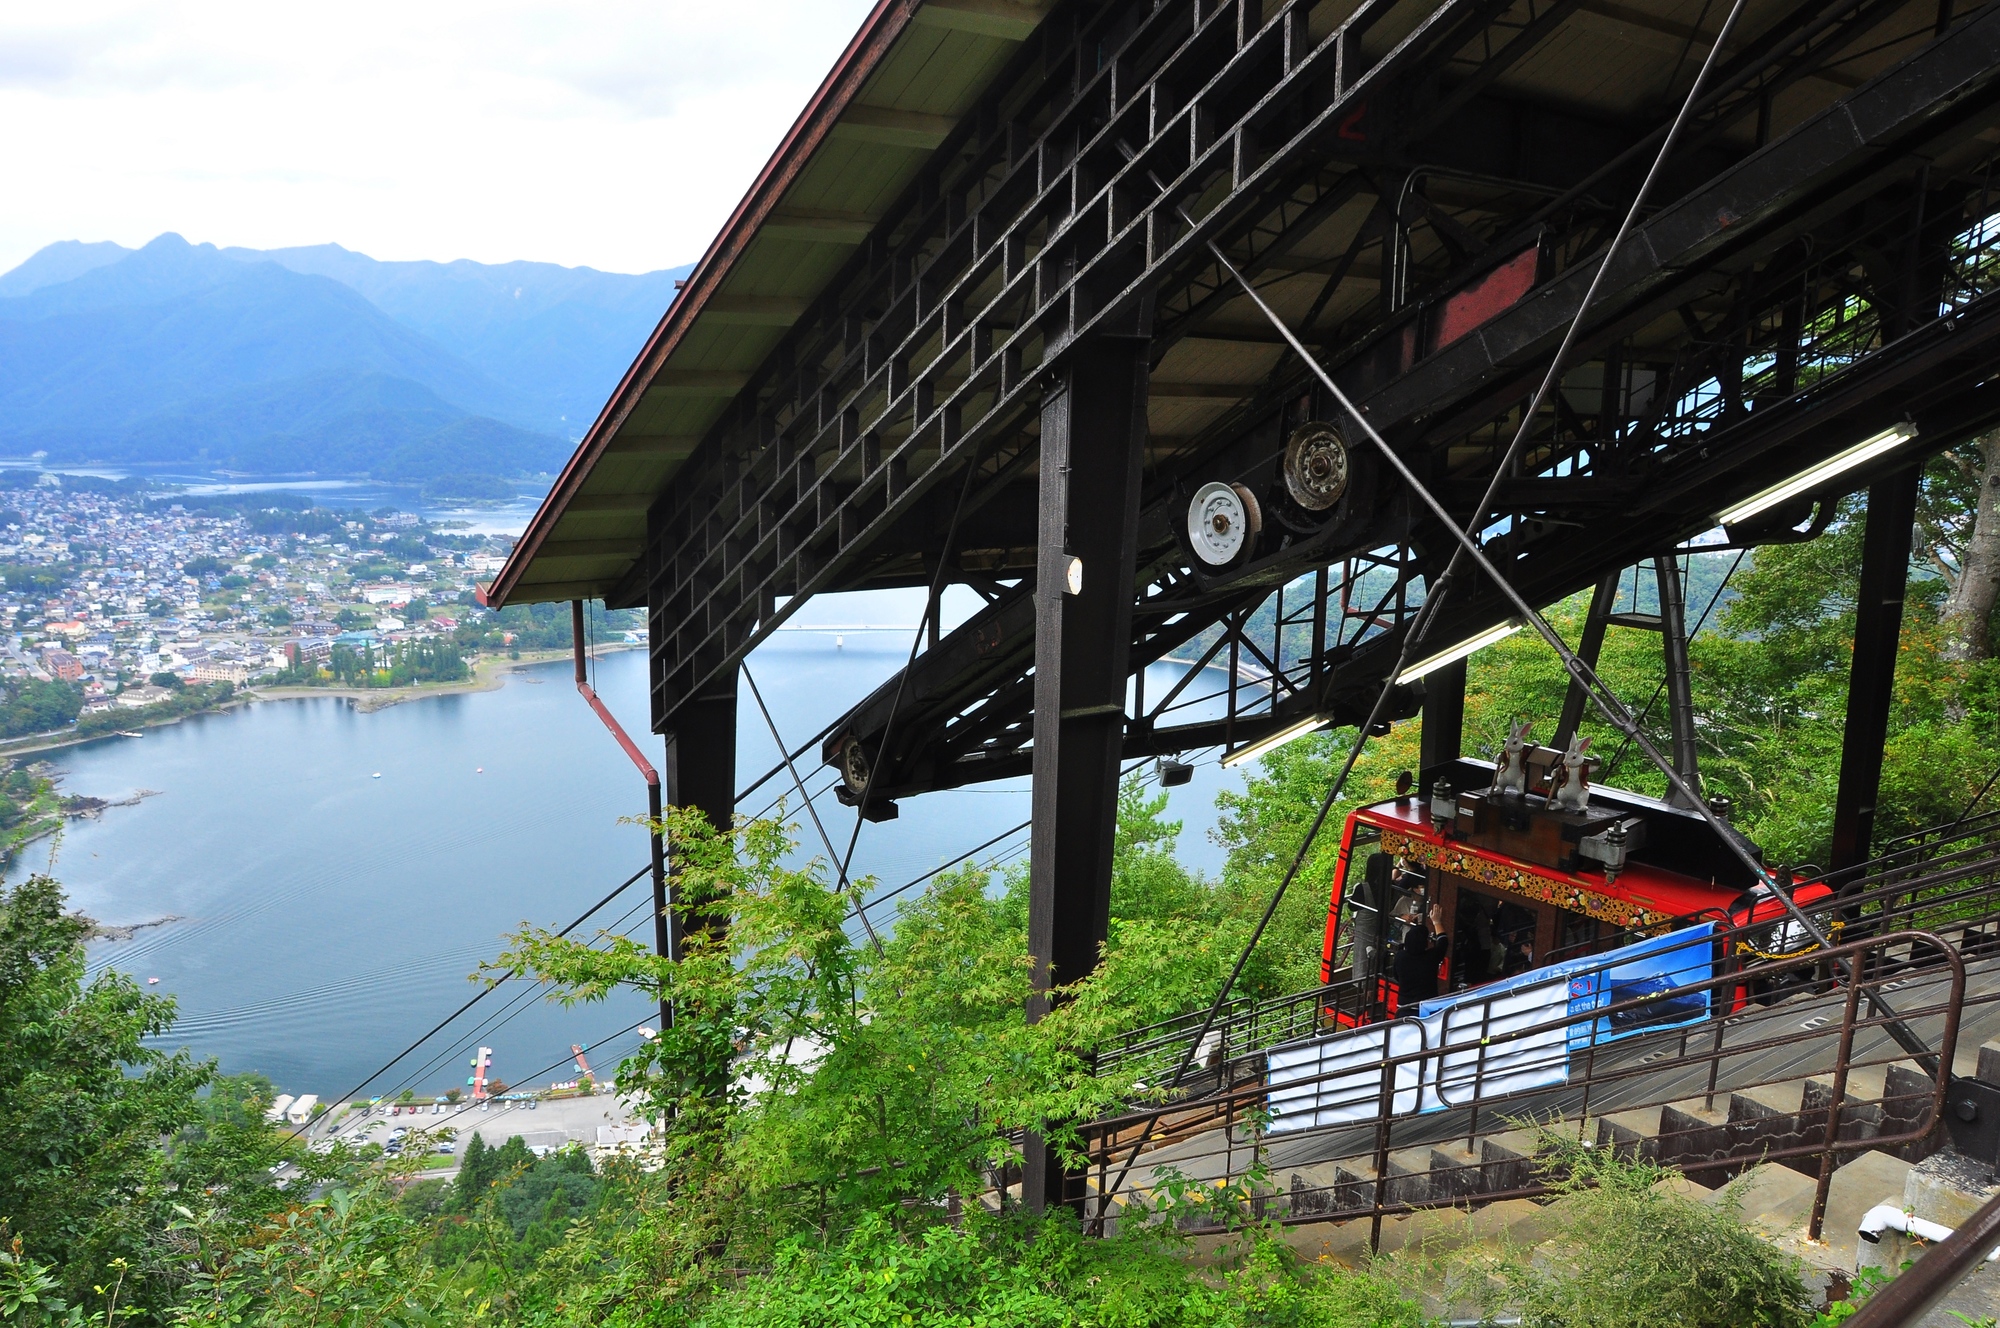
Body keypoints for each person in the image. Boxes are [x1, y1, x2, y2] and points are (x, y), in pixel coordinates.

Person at [1393, 898, 1448, 1004]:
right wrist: (1437, 922)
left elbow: (1396, 976)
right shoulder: (1430, 957)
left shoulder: (1400, 957)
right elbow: (1443, 942)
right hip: (1426, 1005)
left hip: (1404, 1005)